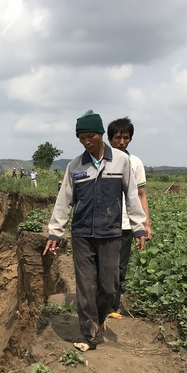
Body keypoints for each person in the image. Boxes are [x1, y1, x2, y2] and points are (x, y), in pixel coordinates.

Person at [43, 110, 146, 352]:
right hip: (82, 235)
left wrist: (139, 227)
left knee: (108, 286)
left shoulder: (121, 161)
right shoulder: (74, 166)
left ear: (101, 135)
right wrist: (55, 233)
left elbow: (132, 197)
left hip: (111, 234)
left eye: (90, 136)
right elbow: (63, 201)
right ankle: (89, 334)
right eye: (81, 138)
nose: (86, 142)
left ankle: (99, 320)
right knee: (86, 286)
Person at [107, 117, 152, 319]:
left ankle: (112, 306)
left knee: (120, 267)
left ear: (130, 139)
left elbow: (141, 194)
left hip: (126, 223)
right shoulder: (102, 160)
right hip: (105, 223)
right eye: (118, 137)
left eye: (126, 138)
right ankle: (101, 302)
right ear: (109, 139)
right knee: (104, 265)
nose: (122, 141)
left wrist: (145, 223)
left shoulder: (135, 163)